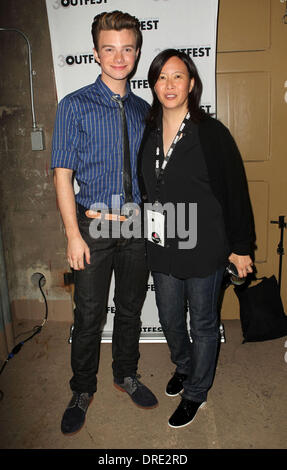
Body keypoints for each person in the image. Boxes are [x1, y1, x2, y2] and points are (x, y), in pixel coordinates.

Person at [51, 11, 158, 436]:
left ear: (136, 53)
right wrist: (73, 235)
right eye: (109, 48)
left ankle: (125, 374)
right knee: (90, 313)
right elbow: (62, 174)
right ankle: (81, 389)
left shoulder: (143, 109)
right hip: (92, 225)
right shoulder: (74, 105)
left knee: (130, 308)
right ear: (96, 53)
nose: (119, 57)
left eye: (127, 48)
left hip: (134, 226)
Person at [139, 49, 254, 428]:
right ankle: (185, 367)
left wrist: (240, 248)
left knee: (202, 323)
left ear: (191, 84)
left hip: (205, 247)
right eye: (161, 77)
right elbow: (149, 187)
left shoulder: (212, 134)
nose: (168, 85)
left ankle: (196, 392)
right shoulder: (149, 131)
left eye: (177, 77)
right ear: (153, 84)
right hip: (163, 245)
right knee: (171, 320)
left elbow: (235, 192)